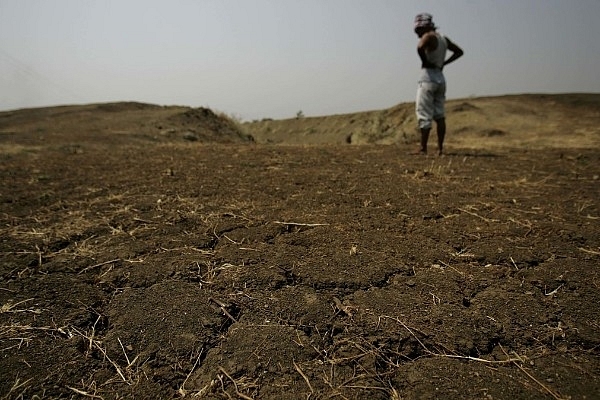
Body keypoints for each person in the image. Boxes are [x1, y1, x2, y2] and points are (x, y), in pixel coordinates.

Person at [414, 13, 463, 155]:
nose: (418, 34)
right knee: (439, 114)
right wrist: (444, 63)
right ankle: (440, 149)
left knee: (423, 112)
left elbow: (419, 47)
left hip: (428, 77)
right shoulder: (443, 39)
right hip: (440, 78)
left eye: (418, 31)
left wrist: (425, 61)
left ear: (423, 27)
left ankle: (423, 148)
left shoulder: (428, 36)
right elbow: (459, 52)